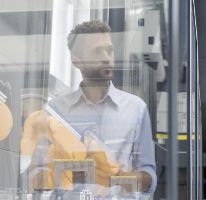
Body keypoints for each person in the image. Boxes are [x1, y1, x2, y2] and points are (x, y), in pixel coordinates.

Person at [20, 20, 157, 197]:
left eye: (109, 49)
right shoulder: (54, 112)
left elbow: (148, 177)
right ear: (77, 60)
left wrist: (117, 177)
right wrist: (78, 169)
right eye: (97, 51)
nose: (107, 57)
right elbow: (35, 176)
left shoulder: (136, 109)